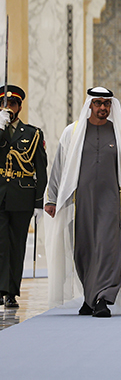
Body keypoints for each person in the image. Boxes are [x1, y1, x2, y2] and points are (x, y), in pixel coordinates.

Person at [45, 87, 121, 317]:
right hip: (82, 203)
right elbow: (59, 166)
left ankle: (103, 298)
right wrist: (52, 198)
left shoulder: (120, 134)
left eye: (106, 104)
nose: (102, 108)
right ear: (89, 105)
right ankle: (89, 297)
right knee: (85, 249)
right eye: (98, 103)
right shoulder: (73, 132)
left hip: (110, 202)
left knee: (108, 249)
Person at [0, 85, 47, 308]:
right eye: (4, 104)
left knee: (17, 245)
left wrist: (39, 202)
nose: (8, 108)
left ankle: (11, 292)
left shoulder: (32, 134)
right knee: (1, 244)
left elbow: (41, 169)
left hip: (22, 196)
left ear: (19, 107)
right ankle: (0, 289)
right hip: (0, 194)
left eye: (12, 104)